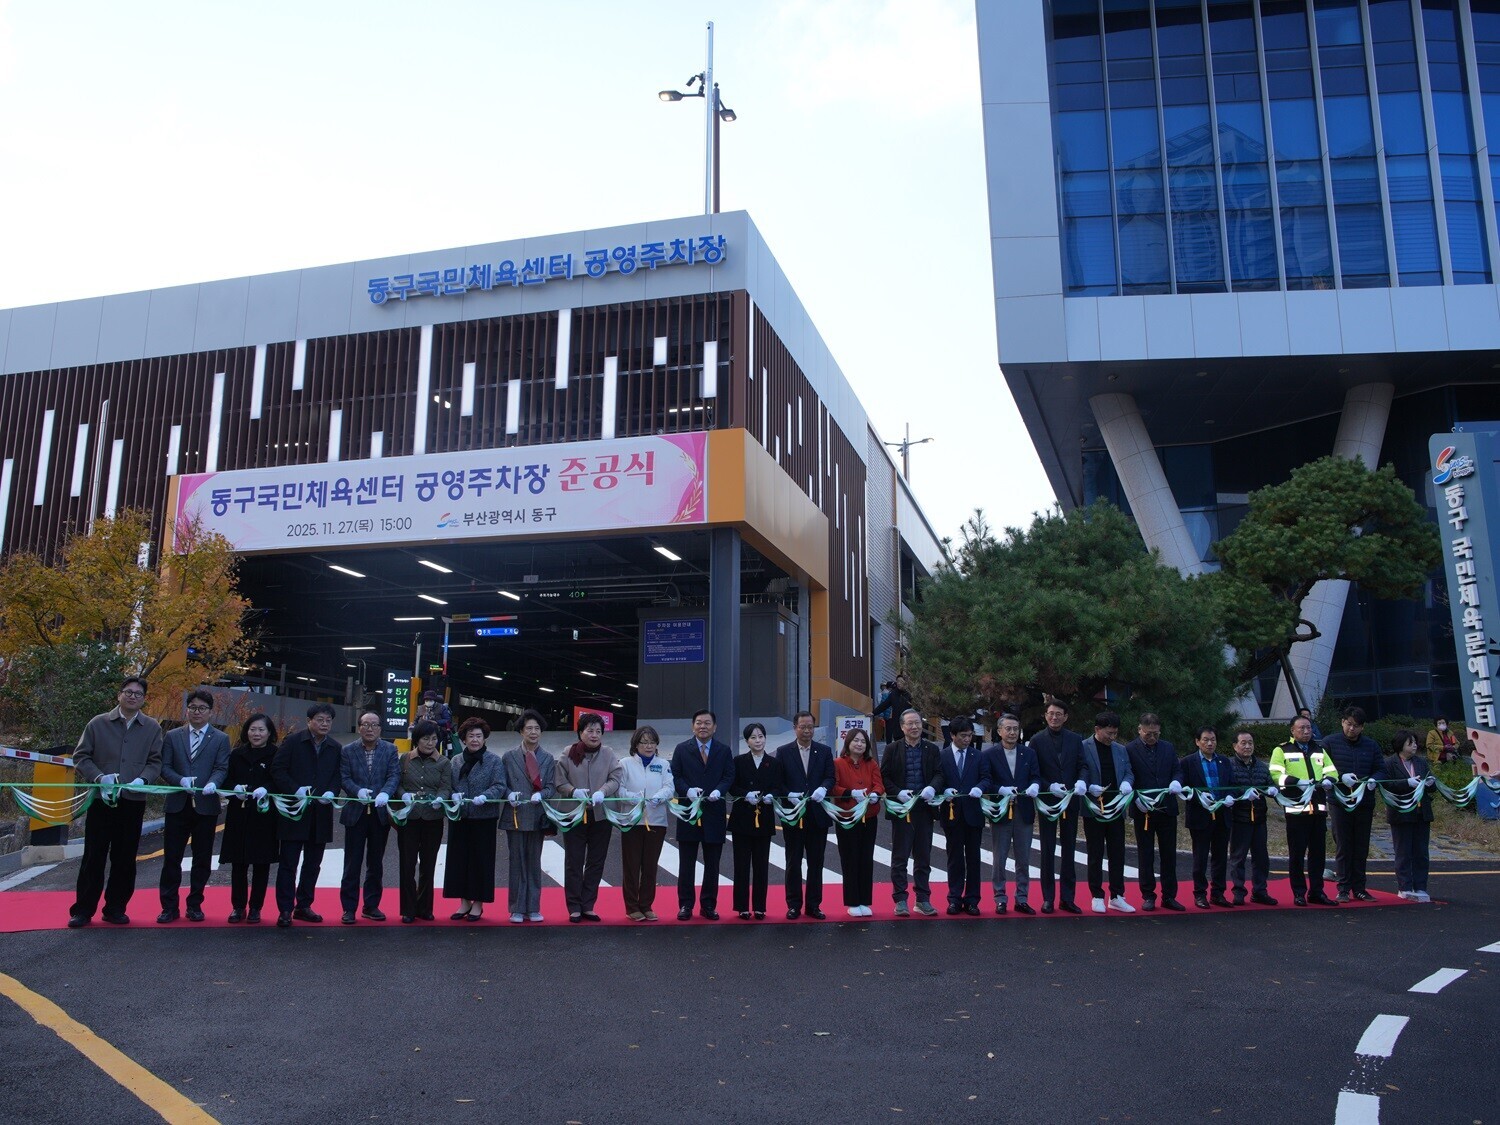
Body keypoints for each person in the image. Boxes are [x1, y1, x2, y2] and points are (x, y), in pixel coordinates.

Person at [69, 677, 164, 928]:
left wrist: (144, 780)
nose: (133, 696)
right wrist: (99, 777)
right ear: (119, 695)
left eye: (138, 693)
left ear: (144, 699)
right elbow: (81, 756)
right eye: (128, 692)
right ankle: (83, 909)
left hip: (133, 800)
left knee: (125, 857)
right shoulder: (98, 724)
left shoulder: (152, 728)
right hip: (102, 800)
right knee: (94, 855)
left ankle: (116, 908)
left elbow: (156, 762)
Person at [157, 689, 231, 923]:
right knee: (172, 858)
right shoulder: (172, 735)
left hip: (206, 806)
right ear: (186, 710)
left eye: (202, 708)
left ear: (210, 712)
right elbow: (164, 766)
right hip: (178, 804)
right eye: (193, 707)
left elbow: (222, 767)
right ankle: (169, 907)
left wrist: (213, 783)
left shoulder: (221, 738)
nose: (197, 712)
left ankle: (195, 904)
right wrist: (179, 780)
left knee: (202, 858)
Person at [271, 702, 343, 927]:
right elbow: (277, 770)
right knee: (288, 863)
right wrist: (295, 789)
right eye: (319, 720)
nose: (324, 724)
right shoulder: (293, 742)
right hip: (295, 812)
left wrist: (332, 791)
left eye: (328, 720)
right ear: (309, 721)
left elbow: (338, 775)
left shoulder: (335, 747)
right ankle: (284, 909)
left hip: (320, 813)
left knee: (313, 863)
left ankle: (304, 905)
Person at [556, 712, 623, 923]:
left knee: (596, 861)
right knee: (574, 860)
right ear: (580, 732)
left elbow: (616, 777)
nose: (594, 735)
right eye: (589, 730)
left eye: (598, 731)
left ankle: (588, 905)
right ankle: (574, 905)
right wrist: (572, 790)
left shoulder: (609, 754)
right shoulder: (568, 753)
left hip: (601, 815)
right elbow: (559, 781)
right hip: (575, 815)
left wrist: (603, 791)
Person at [670, 709, 735, 920]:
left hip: (714, 813)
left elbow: (729, 776)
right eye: (699, 722)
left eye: (707, 723)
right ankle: (685, 905)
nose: (703, 726)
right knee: (686, 863)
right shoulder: (681, 749)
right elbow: (676, 776)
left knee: (713, 863)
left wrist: (720, 790)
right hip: (689, 813)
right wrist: (686, 790)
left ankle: (708, 905)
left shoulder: (724, 751)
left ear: (715, 727)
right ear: (693, 726)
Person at [1269, 715, 1340, 906]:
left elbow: (1332, 771)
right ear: (1292, 730)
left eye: (1308, 728)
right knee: (1297, 854)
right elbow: (1276, 774)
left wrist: (1328, 780)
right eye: (1301, 728)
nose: (1306, 731)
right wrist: (1296, 782)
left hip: (1318, 809)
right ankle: (1299, 892)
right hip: (1296, 808)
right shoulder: (1282, 750)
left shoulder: (1319, 749)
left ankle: (1317, 892)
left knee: (1318, 854)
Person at [338, 711, 401, 924]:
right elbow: (344, 777)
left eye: (374, 725)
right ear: (359, 727)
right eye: (366, 724)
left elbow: (394, 775)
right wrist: (357, 791)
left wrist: (386, 793)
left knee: (376, 862)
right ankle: (348, 908)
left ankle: (371, 905)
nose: (370, 729)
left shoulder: (391, 749)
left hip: (379, 813)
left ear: (380, 728)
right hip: (355, 812)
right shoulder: (347, 750)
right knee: (351, 863)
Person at [879, 708, 943, 917]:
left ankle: (923, 899)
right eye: (910, 724)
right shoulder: (892, 749)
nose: (915, 727)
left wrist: (932, 787)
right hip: (902, 809)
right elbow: (884, 777)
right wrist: (898, 792)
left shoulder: (932, 749)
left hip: (924, 809)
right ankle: (900, 899)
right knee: (900, 857)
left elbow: (939, 774)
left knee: (923, 856)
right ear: (902, 727)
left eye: (917, 723)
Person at [219, 713, 281, 924]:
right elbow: (226, 779)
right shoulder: (237, 754)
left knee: (261, 863)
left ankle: (256, 907)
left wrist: (267, 788)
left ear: (269, 733)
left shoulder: (276, 754)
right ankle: (238, 907)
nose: (256, 734)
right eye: (252, 729)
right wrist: (233, 788)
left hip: (264, 815)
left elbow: (279, 780)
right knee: (239, 862)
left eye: (261, 730)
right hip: (239, 813)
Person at [774, 710, 835, 920]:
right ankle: (793, 904)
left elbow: (830, 777)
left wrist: (824, 789)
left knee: (816, 862)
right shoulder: (783, 752)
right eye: (803, 727)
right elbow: (778, 781)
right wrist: (787, 794)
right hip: (793, 815)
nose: (807, 730)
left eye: (810, 727)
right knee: (793, 861)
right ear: (795, 728)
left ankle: (813, 905)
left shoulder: (825, 751)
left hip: (818, 815)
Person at [443, 716, 504, 920]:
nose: (475, 740)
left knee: (481, 861)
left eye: (479, 736)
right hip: (460, 816)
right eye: (471, 736)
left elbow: (500, 785)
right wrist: (453, 795)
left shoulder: (494, 760)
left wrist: (486, 797)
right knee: (458, 860)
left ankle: (478, 903)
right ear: (464, 739)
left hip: (484, 817)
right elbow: (449, 784)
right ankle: (463, 902)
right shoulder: (456, 760)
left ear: (485, 738)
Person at [1323, 705, 1385, 903]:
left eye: (1356, 726)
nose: (1352, 729)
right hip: (1339, 802)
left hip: (1364, 802)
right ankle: (1343, 888)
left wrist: (1374, 780)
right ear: (1342, 722)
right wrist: (1339, 777)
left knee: (1361, 846)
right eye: (1349, 724)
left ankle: (1360, 888)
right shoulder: (1330, 743)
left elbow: (1381, 769)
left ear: (1362, 727)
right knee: (1343, 844)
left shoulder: (1371, 745)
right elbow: (1321, 768)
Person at [1028, 700, 1085, 915]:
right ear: (1045, 716)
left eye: (1058, 714)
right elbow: (1033, 772)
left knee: (1069, 849)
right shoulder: (1036, 740)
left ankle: (1068, 898)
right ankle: (1048, 898)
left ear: (1066, 716)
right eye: (1051, 714)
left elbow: (1083, 766)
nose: (1054, 718)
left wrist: (1081, 782)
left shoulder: (1075, 739)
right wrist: (1047, 786)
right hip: (1048, 801)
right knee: (1047, 850)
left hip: (1070, 800)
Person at [500, 709, 556, 923]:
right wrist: (508, 794)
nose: (533, 732)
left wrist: (541, 794)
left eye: (537, 729)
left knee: (534, 862)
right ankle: (516, 907)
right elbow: (502, 785)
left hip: (536, 815)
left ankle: (533, 907)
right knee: (516, 862)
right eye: (529, 728)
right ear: (521, 731)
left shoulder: (548, 758)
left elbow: (551, 787)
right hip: (514, 815)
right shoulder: (509, 757)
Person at [978, 713, 1039, 914]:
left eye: (1015, 728)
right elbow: (986, 780)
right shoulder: (989, 755)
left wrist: (1035, 786)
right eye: (1008, 729)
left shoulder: (1028, 753)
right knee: (1000, 857)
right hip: (1001, 811)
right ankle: (1000, 897)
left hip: (1024, 811)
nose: (1012, 732)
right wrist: (1000, 789)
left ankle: (1022, 897)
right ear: (999, 731)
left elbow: (1036, 777)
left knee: (1023, 858)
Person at [1123, 712, 1183, 912]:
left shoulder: (1167, 747)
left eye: (1156, 734)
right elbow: (1128, 776)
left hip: (1166, 808)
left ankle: (1169, 895)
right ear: (1140, 730)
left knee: (1169, 854)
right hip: (1144, 810)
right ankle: (1148, 894)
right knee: (1145, 854)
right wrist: (1135, 799)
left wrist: (1176, 781)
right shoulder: (1130, 749)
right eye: (1148, 734)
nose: (1152, 738)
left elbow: (1177, 769)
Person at [396, 719, 451, 923]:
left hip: (432, 818)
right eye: (426, 739)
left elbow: (446, 787)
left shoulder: (444, 762)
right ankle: (408, 909)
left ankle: (425, 907)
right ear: (417, 740)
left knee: (428, 864)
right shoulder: (406, 759)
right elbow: (398, 784)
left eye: (434, 739)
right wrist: (403, 795)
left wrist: (441, 798)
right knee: (407, 864)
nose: (430, 743)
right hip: (409, 818)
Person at [1080, 710, 1135, 913]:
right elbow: (1081, 770)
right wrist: (1087, 785)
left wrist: (1128, 783)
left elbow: (1129, 771)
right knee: (1095, 852)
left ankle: (1117, 895)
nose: (1112, 737)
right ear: (1097, 729)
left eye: (1115, 733)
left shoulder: (1121, 749)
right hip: (1094, 807)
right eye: (1108, 733)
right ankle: (1096, 894)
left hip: (1117, 807)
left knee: (1117, 852)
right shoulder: (1084, 747)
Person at [616, 725, 673, 921]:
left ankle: (646, 905)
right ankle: (631, 906)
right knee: (631, 866)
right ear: (636, 744)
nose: (648, 746)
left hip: (656, 821)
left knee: (650, 866)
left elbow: (669, 787)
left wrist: (659, 797)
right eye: (644, 742)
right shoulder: (624, 764)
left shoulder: (663, 764)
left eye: (652, 742)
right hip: (632, 820)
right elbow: (619, 790)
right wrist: (634, 798)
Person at [729, 722, 785, 919]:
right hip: (742, 819)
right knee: (741, 865)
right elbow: (732, 787)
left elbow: (779, 786)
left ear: (765, 738)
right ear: (747, 741)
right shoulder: (738, 761)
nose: (758, 740)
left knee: (761, 865)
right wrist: (745, 794)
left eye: (761, 736)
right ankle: (742, 906)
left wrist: (772, 795)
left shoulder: (774, 763)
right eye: (753, 737)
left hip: (764, 819)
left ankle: (760, 906)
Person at [1177, 727, 1235, 909]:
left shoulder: (1224, 761)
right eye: (1206, 740)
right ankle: (1199, 894)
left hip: (1222, 814)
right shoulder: (1188, 762)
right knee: (1200, 856)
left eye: (1213, 740)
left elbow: (1232, 785)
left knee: (1220, 856)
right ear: (1197, 742)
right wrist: (1199, 798)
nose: (1210, 743)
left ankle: (1218, 893)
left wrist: (1229, 796)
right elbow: (1184, 789)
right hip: (1200, 815)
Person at [832, 726, 884, 916]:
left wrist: (876, 794)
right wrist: (849, 793)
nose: (860, 744)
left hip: (869, 817)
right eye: (856, 740)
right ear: (848, 743)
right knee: (849, 858)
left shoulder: (871, 764)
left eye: (863, 741)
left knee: (866, 859)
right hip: (847, 818)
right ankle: (852, 901)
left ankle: (865, 900)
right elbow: (834, 787)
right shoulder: (837, 763)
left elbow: (879, 783)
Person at [1379, 729, 1434, 902]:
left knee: (1421, 852)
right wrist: (1406, 783)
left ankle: (1420, 886)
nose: (1414, 746)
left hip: (1421, 812)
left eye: (1416, 743)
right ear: (1400, 745)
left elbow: (1431, 783)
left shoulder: (1421, 762)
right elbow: (1387, 785)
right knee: (1403, 851)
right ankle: (1404, 886)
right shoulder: (1389, 763)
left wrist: (1431, 783)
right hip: (1401, 813)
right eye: (1410, 743)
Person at [939, 714, 985, 916]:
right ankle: (954, 898)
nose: (967, 740)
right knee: (955, 857)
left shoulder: (978, 755)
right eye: (963, 736)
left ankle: (973, 899)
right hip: (951, 814)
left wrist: (980, 788)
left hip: (973, 813)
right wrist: (943, 792)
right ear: (952, 735)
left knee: (974, 858)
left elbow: (986, 778)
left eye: (970, 736)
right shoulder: (942, 756)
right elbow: (937, 779)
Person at [1225, 730, 1276, 906]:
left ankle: (1260, 891)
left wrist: (1272, 790)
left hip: (1259, 817)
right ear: (1235, 746)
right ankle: (1239, 891)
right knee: (1238, 857)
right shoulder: (1229, 765)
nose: (1247, 746)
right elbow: (1228, 788)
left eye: (1250, 743)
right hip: (1239, 817)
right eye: (1243, 743)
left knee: (1261, 857)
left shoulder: (1262, 766)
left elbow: (1270, 784)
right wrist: (1243, 793)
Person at [871, 674, 912, 742]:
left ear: (906, 683)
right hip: (897, 724)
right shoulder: (893, 694)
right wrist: (873, 713)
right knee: (898, 744)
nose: (899, 683)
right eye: (898, 681)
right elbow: (884, 705)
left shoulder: (910, 695)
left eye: (901, 681)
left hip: (908, 723)